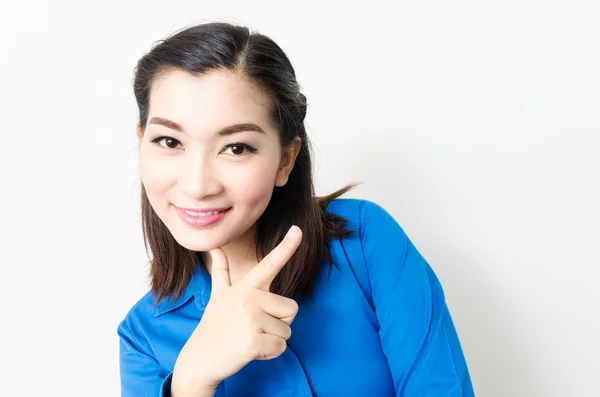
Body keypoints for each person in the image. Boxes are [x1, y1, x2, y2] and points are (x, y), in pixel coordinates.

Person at [117, 21, 475, 397]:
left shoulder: (366, 243)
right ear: (142, 141)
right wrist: (191, 381)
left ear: (286, 160)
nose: (197, 185)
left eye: (237, 148)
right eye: (169, 141)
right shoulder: (143, 339)